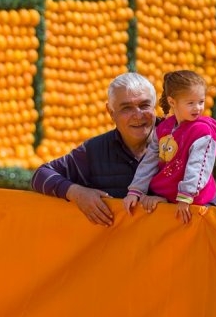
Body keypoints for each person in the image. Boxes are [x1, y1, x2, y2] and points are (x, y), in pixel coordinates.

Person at [30, 72, 158, 227]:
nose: (138, 115)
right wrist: (76, 193)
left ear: (155, 106)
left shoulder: (178, 140)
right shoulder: (95, 151)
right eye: (126, 108)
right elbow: (40, 175)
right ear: (111, 113)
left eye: (144, 105)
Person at [123, 70, 216, 224]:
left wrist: (186, 197)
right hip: (171, 196)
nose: (197, 108)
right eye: (190, 103)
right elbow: (150, 161)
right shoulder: (164, 128)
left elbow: (198, 166)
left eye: (201, 102)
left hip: (195, 200)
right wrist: (135, 191)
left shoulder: (203, 132)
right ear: (172, 102)